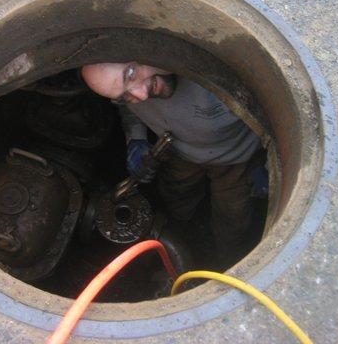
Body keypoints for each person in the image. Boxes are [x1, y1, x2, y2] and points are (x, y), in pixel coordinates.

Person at [80, 62, 267, 267]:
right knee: (176, 199)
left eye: (131, 74)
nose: (141, 95)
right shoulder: (134, 92)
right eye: (123, 97)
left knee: (233, 217)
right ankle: (177, 235)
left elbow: (271, 116)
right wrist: (136, 137)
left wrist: (263, 161)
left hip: (235, 160)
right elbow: (128, 111)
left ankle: (228, 263)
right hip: (178, 153)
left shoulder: (218, 80)